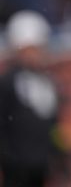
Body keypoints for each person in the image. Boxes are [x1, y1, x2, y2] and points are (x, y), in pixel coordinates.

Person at [0, 11, 66, 187]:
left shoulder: (48, 82)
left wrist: (58, 152)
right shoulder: (7, 82)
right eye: (29, 50)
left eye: (38, 49)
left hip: (41, 165)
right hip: (15, 166)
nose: (35, 55)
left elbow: (53, 123)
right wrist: (8, 157)